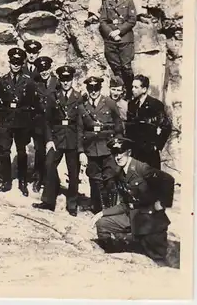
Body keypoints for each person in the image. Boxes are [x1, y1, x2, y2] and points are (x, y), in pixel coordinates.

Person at [92, 136, 175, 262]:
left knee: (156, 258)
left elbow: (168, 180)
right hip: (132, 216)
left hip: (150, 219)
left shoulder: (141, 168)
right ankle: (111, 255)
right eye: (114, 154)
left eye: (121, 153)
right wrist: (102, 213)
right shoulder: (119, 174)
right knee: (102, 224)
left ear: (129, 153)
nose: (118, 157)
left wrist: (162, 203)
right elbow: (125, 204)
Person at [32, 65, 84, 217]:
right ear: (60, 80)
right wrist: (49, 140)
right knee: (49, 165)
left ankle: (72, 204)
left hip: (73, 138)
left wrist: (80, 143)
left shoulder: (78, 97)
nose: (66, 82)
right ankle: (48, 201)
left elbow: (80, 123)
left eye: (68, 79)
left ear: (72, 80)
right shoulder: (52, 96)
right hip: (56, 138)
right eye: (63, 79)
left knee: (73, 171)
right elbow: (47, 121)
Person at [0, 47, 41, 196]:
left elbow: (35, 102)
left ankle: (22, 182)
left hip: (22, 121)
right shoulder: (2, 80)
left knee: (22, 152)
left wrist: (27, 115)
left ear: (22, 64)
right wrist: (3, 111)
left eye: (18, 62)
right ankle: (6, 181)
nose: (16, 65)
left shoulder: (28, 81)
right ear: (9, 63)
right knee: (4, 152)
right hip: (6, 121)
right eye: (13, 62)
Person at [80, 75, 123, 213]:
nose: (93, 91)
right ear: (87, 89)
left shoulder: (109, 103)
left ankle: (111, 210)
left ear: (100, 88)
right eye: (90, 88)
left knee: (110, 179)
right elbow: (79, 130)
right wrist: (81, 152)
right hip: (91, 148)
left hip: (108, 147)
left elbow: (118, 126)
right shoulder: (82, 106)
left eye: (96, 88)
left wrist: (118, 147)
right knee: (94, 179)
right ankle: (97, 209)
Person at [99, 0, 137, 100]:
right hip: (110, 41)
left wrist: (119, 32)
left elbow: (132, 20)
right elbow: (103, 21)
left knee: (126, 67)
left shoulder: (128, 1)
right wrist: (111, 33)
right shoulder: (106, 3)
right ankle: (119, 94)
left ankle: (130, 92)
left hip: (125, 39)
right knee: (116, 68)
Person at [126, 75, 172, 170]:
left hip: (150, 152)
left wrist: (157, 146)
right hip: (135, 151)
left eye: (136, 87)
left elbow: (166, 126)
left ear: (144, 89)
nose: (133, 90)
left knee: (152, 180)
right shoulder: (131, 105)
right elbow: (129, 127)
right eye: (132, 87)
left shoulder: (155, 105)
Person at [31, 56, 59, 192]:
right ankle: (38, 178)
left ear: (50, 68)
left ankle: (50, 181)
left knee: (52, 154)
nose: (44, 72)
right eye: (41, 70)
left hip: (54, 124)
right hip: (39, 124)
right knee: (39, 152)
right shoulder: (36, 84)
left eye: (46, 69)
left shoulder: (58, 83)